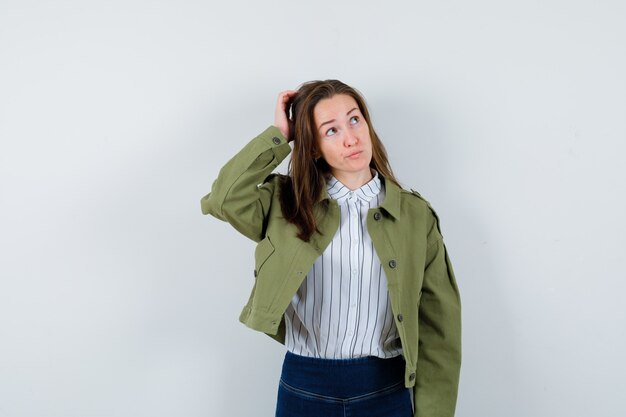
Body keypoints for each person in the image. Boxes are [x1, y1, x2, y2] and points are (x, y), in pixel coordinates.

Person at [201, 80, 461, 417]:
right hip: (304, 387)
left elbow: (438, 327)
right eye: (331, 130)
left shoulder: (414, 215)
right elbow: (223, 199)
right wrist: (280, 135)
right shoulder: (285, 204)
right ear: (312, 146)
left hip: (385, 388)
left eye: (354, 120)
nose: (351, 138)